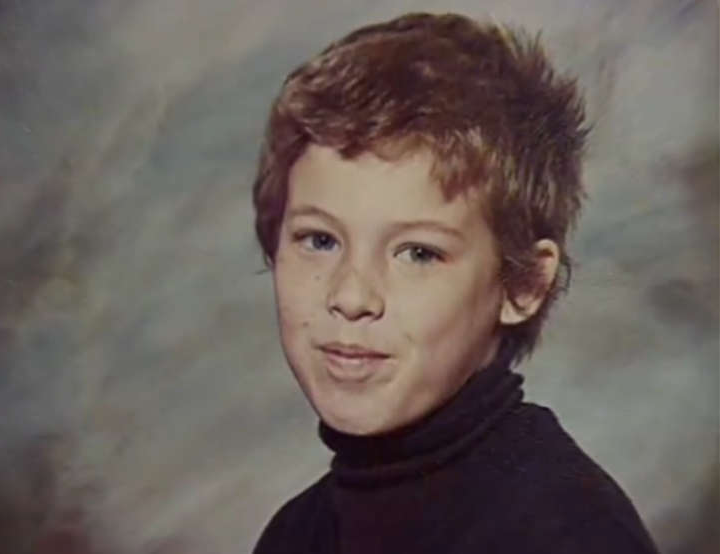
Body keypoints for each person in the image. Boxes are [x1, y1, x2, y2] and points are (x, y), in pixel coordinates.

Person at [250, 11, 661, 554]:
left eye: (418, 253)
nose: (350, 296)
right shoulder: (296, 533)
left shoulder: (567, 533)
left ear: (523, 283)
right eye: (320, 240)